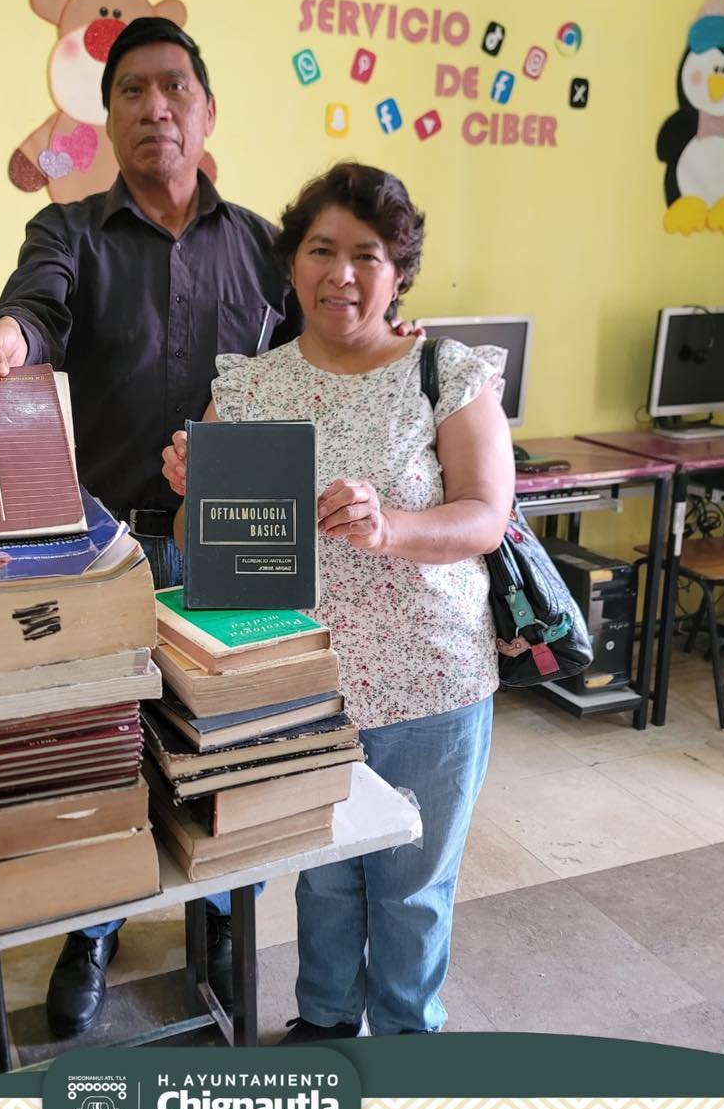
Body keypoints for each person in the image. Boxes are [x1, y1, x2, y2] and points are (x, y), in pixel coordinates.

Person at [0, 16, 301, 1038]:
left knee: (233, 737)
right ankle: (92, 926)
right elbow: (37, 308)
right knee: (102, 741)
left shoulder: (262, 246)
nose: (155, 108)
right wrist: (7, 336)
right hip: (102, 539)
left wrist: (381, 333)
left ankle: (223, 913)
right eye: (133, 91)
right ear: (107, 117)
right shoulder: (69, 231)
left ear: (206, 110)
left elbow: (307, 356)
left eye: (174, 89)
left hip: (234, 532)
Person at [161, 162, 514, 1040]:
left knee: (413, 881)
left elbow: (484, 515)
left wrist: (390, 528)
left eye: (368, 254)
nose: (342, 273)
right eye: (322, 249)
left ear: (400, 272)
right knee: (319, 868)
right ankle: (323, 1019)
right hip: (297, 684)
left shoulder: (446, 371)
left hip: (433, 678)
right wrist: (187, 490)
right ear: (293, 263)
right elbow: (208, 539)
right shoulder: (249, 386)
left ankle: (403, 1035)